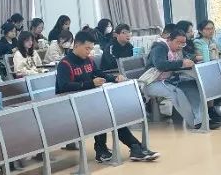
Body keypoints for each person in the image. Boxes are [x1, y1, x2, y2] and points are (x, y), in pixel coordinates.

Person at [54, 30, 159, 161]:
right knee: (106, 115)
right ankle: (130, 148)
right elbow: (64, 87)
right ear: (76, 45)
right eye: (87, 48)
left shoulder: (88, 60)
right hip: (72, 107)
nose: (89, 52)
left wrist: (114, 78)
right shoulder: (65, 64)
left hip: (89, 103)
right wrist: (90, 83)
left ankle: (131, 148)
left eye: (91, 49)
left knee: (111, 114)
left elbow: (99, 73)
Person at [144, 30, 217, 129]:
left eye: (183, 43)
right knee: (177, 93)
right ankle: (195, 123)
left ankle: (202, 119)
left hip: (168, 80)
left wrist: (198, 58)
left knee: (193, 87)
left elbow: (187, 57)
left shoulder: (177, 49)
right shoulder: (159, 48)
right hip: (152, 82)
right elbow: (160, 65)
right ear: (169, 40)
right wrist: (181, 63)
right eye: (178, 42)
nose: (180, 46)